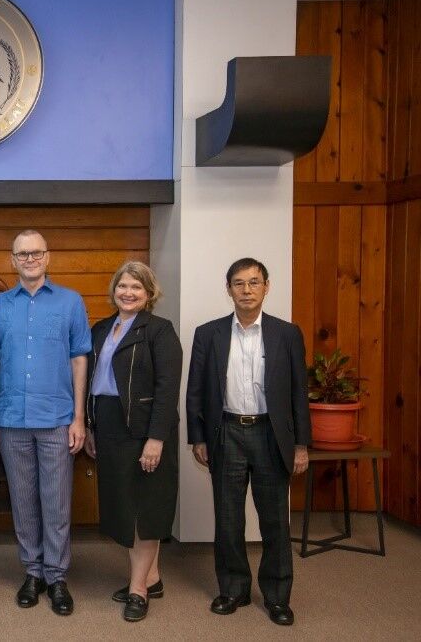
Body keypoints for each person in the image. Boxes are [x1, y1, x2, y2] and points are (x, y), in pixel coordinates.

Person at [186, 257, 310, 626]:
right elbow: (196, 391)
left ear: (266, 287)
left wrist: (301, 444)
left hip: (271, 436)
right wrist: (198, 438)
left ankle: (276, 595)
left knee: (274, 520)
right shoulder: (208, 334)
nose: (246, 290)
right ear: (229, 290)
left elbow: (299, 393)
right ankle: (233, 589)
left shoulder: (287, 334)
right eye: (238, 284)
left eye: (254, 282)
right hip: (226, 434)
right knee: (228, 519)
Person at [0, 230, 90, 615]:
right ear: (13, 260)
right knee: (24, 500)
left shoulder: (70, 302)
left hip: (57, 419)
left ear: (48, 257)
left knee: (57, 500)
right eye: (22, 254)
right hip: (11, 418)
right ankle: (33, 572)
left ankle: (57, 576)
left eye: (36, 253)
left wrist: (79, 417)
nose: (29, 259)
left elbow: (79, 359)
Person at [84, 261, 182, 622]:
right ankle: (151, 577)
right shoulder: (101, 329)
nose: (128, 293)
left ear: (149, 293)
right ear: (115, 290)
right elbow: (92, 383)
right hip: (109, 426)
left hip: (144, 430)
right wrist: (91, 427)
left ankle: (138, 589)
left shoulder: (160, 331)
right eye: (123, 286)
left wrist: (155, 439)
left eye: (136, 288)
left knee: (145, 511)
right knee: (125, 507)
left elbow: (167, 390)